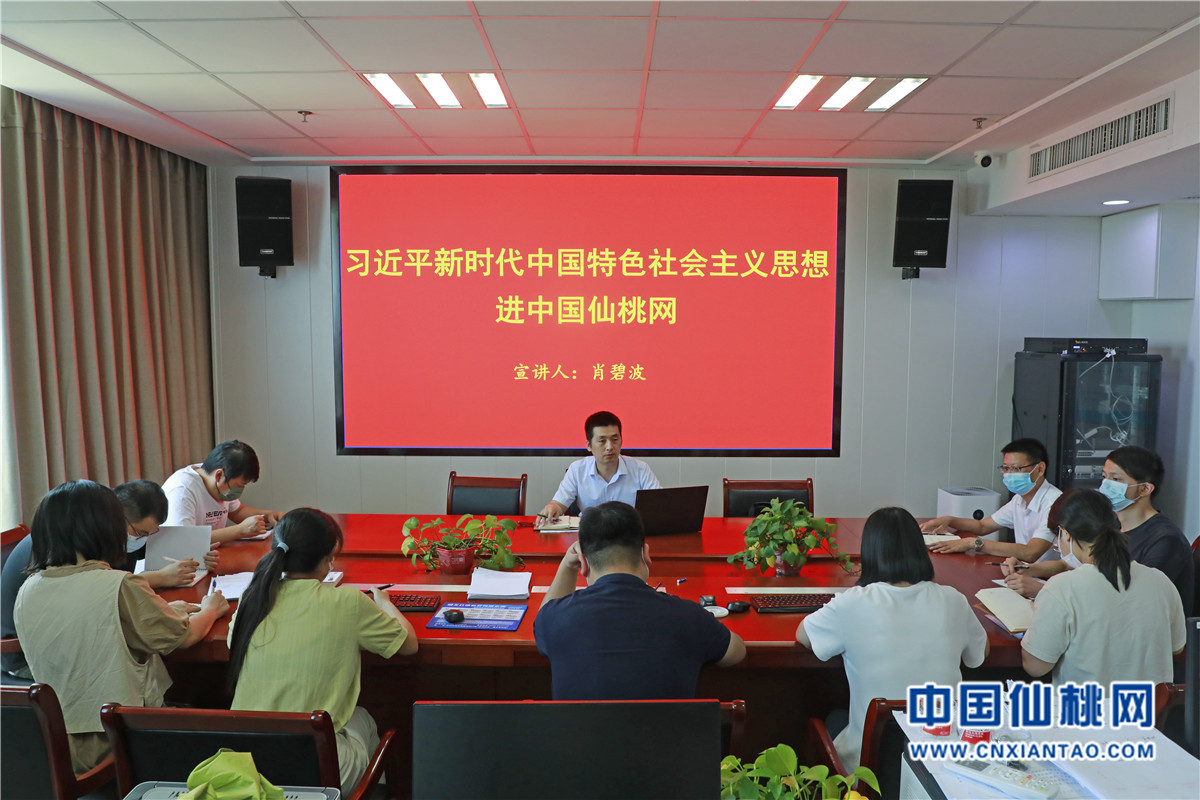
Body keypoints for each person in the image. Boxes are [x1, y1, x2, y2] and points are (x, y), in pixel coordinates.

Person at [13, 480, 229, 773]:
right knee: (220, 720)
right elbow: (185, 636)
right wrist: (211, 609)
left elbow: (95, 625)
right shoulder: (118, 585)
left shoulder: (28, 589)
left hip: (58, 744)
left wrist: (165, 611)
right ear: (107, 529)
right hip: (120, 739)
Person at [227, 508, 418, 795]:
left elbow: (233, 642)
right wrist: (386, 604)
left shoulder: (252, 598)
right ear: (329, 559)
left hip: (247, 766)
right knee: (364, 719)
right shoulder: (348, 602)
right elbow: (409, 645)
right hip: (312, 768)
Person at [797, 507, 987, 774]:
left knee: (833, 718)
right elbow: (979, 655)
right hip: (942, 768)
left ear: (869, 552)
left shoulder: (853, 603)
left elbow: (803, 635)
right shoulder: (953, 600)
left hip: (868, 771)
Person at [1, 479, 213, 679]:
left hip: (58, 645)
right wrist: (205, 610)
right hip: (31, 657)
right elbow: (179, 636)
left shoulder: (69, 549)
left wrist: (157, 611)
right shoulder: (60, 561)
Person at [534, 501, 745, 699]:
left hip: (579, 729)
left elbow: (542, 619)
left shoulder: (556, 618)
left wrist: (567, 567)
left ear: (583, 563)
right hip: (668, 728)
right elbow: (736, 653)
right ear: (646, 554)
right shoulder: (689, 616)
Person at [1021, 489, 1186, 686]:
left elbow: (1035, 667)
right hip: (1151, 705)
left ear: (1065, 534)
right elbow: (1177, 647)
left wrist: (1040, 618)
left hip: (1087, 704)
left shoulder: (1061, 588)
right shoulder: (1160, 581)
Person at [1001, 446, 1194, 607]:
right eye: (1105, 476)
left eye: (1116, 480)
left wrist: (1044, 591)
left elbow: (1129, 600)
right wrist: (1028, 569)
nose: (1106, 485)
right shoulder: (1111, 523)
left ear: (1145, 489)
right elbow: (1073, 563)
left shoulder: (1165, 540)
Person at [924, 438, 1062, 563]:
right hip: (1024, 573)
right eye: (1006, 468)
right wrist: (950, 520)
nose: (1009, 475)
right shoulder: (1019, 499)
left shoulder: (1055, 503)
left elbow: (1031, 552)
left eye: (1015, 468)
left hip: (1049, 578)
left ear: (1040, 469)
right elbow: (983, 526)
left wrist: (972, 543)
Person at [535, 411, 661, 527]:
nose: (609, 447)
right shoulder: (577, 470)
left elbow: (659, 505)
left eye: (615, 440)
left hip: (629, 533)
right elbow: (558, 504)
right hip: (590, 534)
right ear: (589, 446)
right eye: (602, 441)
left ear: (621, 441)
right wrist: (552, 507)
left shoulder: (640, 469)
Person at [162, 440, 283, 544]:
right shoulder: (182, 491)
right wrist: (240, 530)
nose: (240, 490)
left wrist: (267, 516)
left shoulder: (219, 480)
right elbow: (184, 540)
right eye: (239, 485)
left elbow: (237, 511)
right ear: (219, 475)